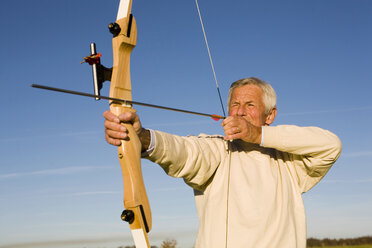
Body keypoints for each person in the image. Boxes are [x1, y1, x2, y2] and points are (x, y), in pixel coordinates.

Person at [103, 77, 341, 248]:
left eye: (250, 105)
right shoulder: (217, 149)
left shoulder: (290, 163)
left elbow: (331, 145)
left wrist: (257, 135)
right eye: (235, 105)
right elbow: (185, 152)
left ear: (270, 116)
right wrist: (142, 137)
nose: (239, 112)